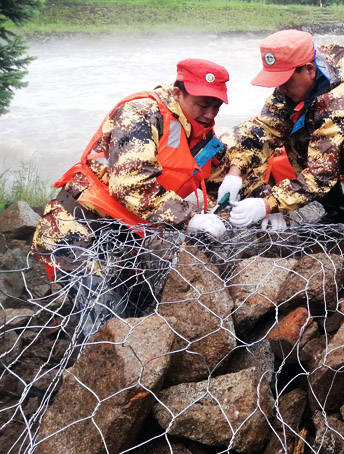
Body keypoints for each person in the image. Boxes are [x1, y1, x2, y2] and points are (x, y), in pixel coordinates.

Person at [31, 59, 231, 331]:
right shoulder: (140, 114)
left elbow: (221, 178)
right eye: (203, 105)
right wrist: (189, 218)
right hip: (79, 229)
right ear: (177, 93)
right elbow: (130, 184)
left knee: (135, 313)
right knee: (103, 326)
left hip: (127, 239)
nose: (210, 114)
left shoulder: (202, 135)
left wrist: (261, 202)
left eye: (217, 106)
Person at [218, 29, 344, 228]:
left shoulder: (342, 100)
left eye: (285, 80)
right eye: (277, 80)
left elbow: (321, 174)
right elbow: (264, 130)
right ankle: (337, 212)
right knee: (296, 135)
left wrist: (267, 204)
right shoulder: (294, 88)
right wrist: (235, 173)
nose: (280, 88)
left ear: (309, 70)